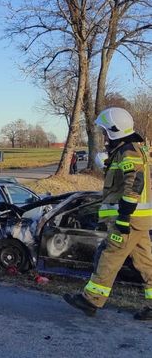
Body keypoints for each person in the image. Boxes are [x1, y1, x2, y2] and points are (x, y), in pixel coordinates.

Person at [64, 107, 152, 320]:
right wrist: (105, 162)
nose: (103, 135)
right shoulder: (128, 150)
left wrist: (123, 217)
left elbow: (134, 183)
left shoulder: (128, 151)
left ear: (115, 130)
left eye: (105, 131)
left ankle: (91, 300)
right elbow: (121, 178)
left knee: (109, 256)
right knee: (146, 263)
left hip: (129, 220)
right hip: (139, 221)